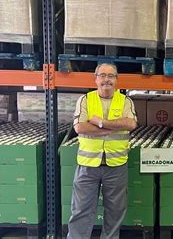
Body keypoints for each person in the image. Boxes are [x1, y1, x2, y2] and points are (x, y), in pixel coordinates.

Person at [68, 63, 137, 239]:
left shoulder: (125, 101)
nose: (107, 79)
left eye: (111, 76)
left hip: (116, 165)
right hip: (88, 166)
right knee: (81, 211)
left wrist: (100, 123)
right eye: (103, 75)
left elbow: (130, 124)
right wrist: (114, 127)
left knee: (115, 212)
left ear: (116, 80)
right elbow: (80, 127)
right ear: (96, 78)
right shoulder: (85, 100)